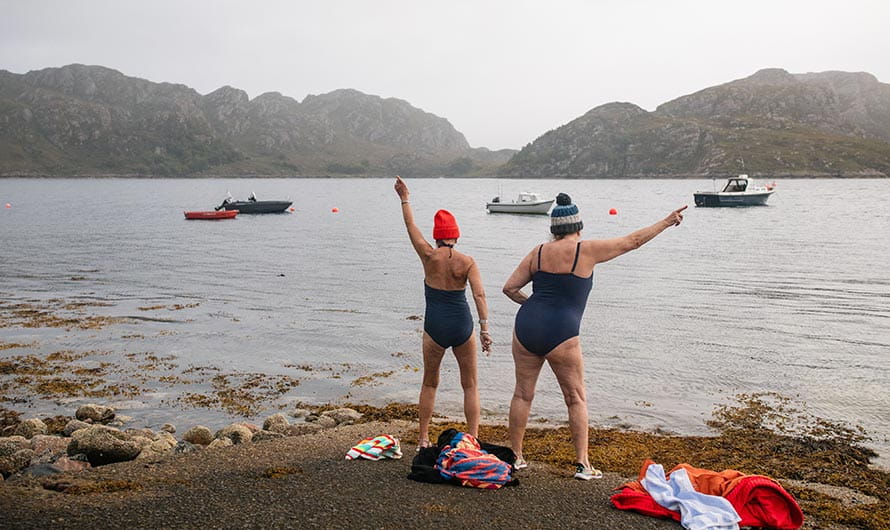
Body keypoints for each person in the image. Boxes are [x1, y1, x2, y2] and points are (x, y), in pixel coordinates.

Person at [503, 193, 686, 480]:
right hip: (561, 332)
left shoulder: (537, 252)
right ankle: (582, 465)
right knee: (575, 398)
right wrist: (665, 221)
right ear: (578, 227)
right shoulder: (585, 250)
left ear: (554, 229)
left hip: (526, 326)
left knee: (522, 394)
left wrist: (536, 308)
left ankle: (515, 457)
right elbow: (632, 242)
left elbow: (509, 288)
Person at [394, 176, 493, 449]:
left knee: (430, 383)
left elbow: (410, 226)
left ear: (437, 236)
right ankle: (472, 439)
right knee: (470, 385)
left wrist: (405, 198)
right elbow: (479, 295)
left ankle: (424, 438)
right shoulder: (468, 262)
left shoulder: (427, 255)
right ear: (456, 235)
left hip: (435, 325)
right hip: (462, 325)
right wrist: (484, 329)